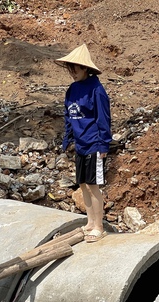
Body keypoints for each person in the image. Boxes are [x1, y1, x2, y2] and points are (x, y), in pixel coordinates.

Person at [56, 44, 112, 243]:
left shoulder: (96, 89)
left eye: (76, 69)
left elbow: (103, 117)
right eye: (70, 69)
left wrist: (104, 144)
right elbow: (68, 115)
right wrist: (67, 139)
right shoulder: (72, 90)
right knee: (82, 183)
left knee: (93, 184)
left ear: (86, 69)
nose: (73, 73)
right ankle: (89, 222)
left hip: (94, 143)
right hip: (80, 144)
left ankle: (99, 226)